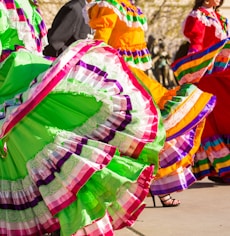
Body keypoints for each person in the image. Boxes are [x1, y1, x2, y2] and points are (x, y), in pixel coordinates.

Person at [0, 0, 168, 235]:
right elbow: (54, 41)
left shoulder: (29, 6)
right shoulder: (74, 7)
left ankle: (67, 219)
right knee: (44, 155)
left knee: (57, 153)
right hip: (21, 82)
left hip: (33, 80)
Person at [84, 0, 216, 207]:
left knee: (159, 128)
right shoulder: (108, 6)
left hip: (136, 78)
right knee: (140, 133)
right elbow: (101, 47)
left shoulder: (129, 8)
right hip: (119, 80)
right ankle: (123, 192)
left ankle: (160, 188)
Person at [171, 0, 230, 183]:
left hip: (222, 69)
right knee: (212, 118)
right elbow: (196, 46)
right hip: (206, 73)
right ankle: (218, 166)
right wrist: (192, 72)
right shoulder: (197, 16)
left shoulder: (220, 18)